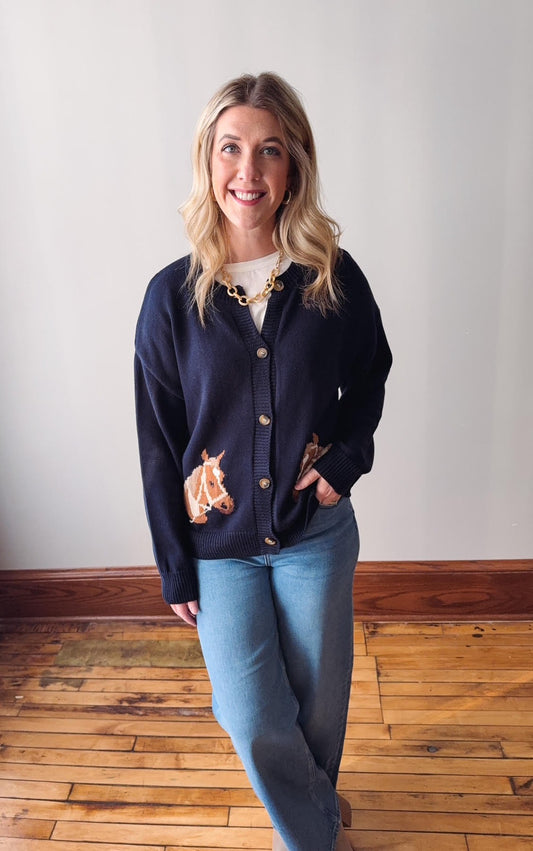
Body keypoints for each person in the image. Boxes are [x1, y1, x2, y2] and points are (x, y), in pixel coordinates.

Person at [135, 71, 392, 851]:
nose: (247, 171)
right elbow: (155, 437)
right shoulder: (170, 299)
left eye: (268, 152)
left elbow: (372, 371)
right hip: (220, 548)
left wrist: (344, 460)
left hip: (314, 531)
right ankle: (314, 824)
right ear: (208, 163)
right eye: (231, 149)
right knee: (249, 710)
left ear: (293, 170)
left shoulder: (329, 278)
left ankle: (304, 818)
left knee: (316, 705)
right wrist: (173, 565)